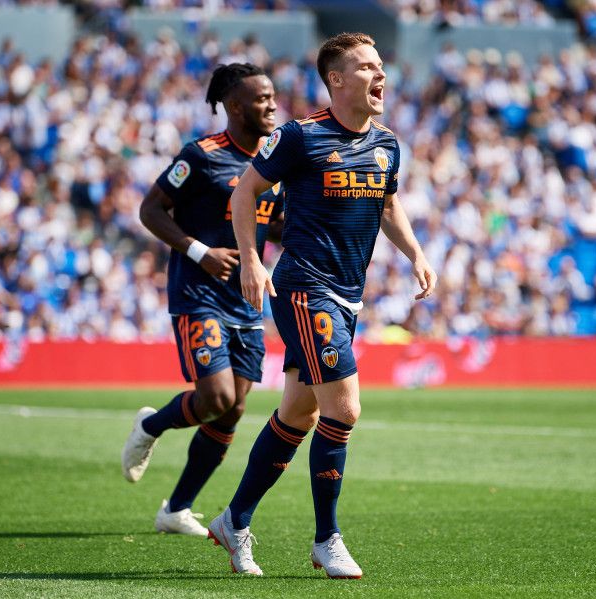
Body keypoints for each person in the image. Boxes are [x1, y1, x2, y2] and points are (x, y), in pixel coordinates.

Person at [207, 33, 436, 578]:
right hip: (305, 289)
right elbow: (244, 193)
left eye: (380, 66)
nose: (379, 75)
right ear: (336, 80)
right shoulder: (300, 137)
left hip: (348, 298)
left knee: (299, 413)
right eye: (365, 67)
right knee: (345, 409)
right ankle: (326, 539)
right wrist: (252, 260)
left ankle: (234, 520)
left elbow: (387, 202)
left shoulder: (386, 144)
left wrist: (416, 254)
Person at [122, 63, 281, 537]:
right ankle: (151, 427)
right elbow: (150, 209)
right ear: (234, 106)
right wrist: (200, 251)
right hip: (199, 293)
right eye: (261, 99)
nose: (272, 105)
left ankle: (176, 509)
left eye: (273, 97)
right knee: (216, 396)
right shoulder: (203, 155)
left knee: (231, 411)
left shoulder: (275, 162)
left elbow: (278, 224)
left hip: (247, 299)